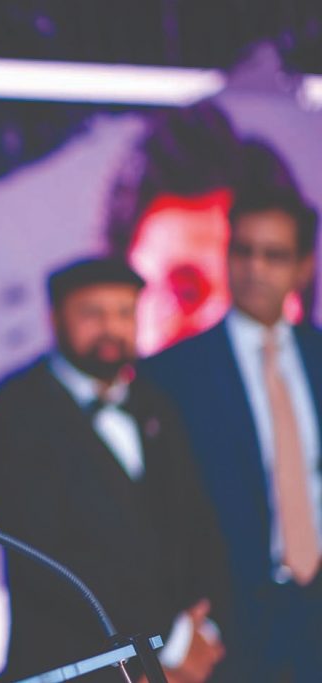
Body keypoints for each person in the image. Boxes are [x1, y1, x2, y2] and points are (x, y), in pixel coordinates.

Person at [0, 258, 231, 682]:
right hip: (75, 664)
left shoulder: (159, 399)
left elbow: (198, 522)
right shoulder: (7, 417)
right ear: (54, 317)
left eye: (124, 313)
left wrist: (202, 629)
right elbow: (50, 561)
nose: (111, 327)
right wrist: (170, 640)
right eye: (93, 313)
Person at [144, 187, 322, 682]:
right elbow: (161, 513)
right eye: (243, 251)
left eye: (274, 255)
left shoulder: (318, 357)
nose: (255, 268)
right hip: (232, 624)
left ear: (304, 267)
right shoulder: (173, 374)